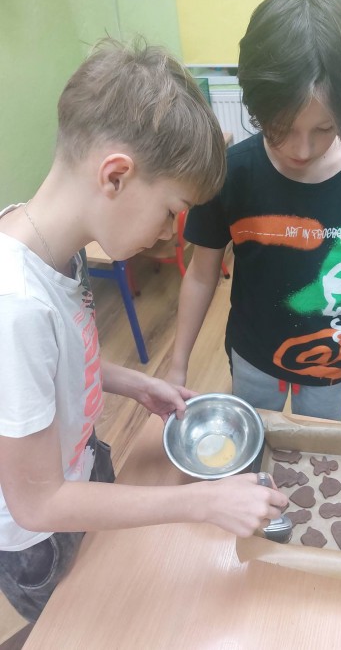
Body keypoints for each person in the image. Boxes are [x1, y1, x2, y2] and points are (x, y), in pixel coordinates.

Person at [0, 39, 287, 623]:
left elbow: (50, 363)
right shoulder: (16, 307)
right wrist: (201, 500)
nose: (167, 235)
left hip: (81, 462)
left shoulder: (50, 245)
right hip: (40, 538)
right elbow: (38, 503)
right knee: (88, 624)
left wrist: (133, 382)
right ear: (115, 176)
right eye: (171, 212)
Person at [168, 0, 341, 427]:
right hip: (253, 356)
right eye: (281, 126)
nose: (301, 149)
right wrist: (178, 364)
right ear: (257, 104)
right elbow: (200, 273)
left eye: (324, 128)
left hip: (332, 364)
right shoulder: (231, 172)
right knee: (258, 441)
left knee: (318, 448)